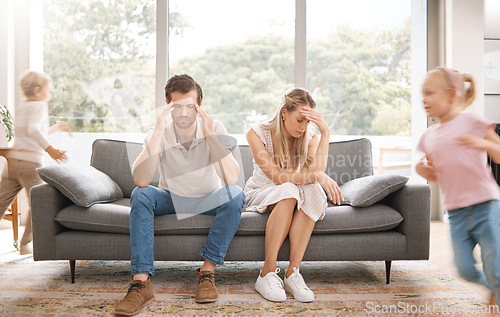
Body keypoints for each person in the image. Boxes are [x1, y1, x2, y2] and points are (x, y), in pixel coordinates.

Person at [115, 74, 245, 316]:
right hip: (171, 199)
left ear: (199, 106)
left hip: (208, 199)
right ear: (168, 107)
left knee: (235, 194)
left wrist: (209, 135)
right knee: (140, 193)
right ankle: (141, 283)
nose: (183, 113)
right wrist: (156, 130)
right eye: (177, 106)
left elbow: (230, 179)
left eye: (189, 106)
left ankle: (207, 272)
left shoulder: (215, 128)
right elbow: (142, 179)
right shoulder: (159, 132)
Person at [244, 88, 343, 303]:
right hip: (261, 191)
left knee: (315, 192)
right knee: (289, 189)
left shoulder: (310, 137)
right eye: (300, 120)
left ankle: (292, 273)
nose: (304, 127)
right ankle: (266, 273)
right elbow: (277, 177)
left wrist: (325, 133)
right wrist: (318, 177)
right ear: (283, 112)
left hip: (294, 191)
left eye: (308, 122)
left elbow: (317, 170)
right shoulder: (256, 133)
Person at [416, 67, 500, 308]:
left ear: (452, 94)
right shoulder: (428, 137)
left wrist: (480, 141)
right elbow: (439, 175)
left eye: (430, 93)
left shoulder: (472, 122)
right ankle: (492, 286)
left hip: (486, 205)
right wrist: (423, 171)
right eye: (423, 93)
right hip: (456, 211)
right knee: (465, 270)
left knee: (496, 267)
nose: (424, 99)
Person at [0, 70, 70, 255]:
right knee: (39, 203)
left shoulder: (22, 108)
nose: (51, 94)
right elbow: (34, 131)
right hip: (29, 164)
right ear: (38, 90)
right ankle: (25, 244)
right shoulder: (39, 106)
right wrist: (51, 150)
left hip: (13, 161)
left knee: (1, 202)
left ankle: (25, 244)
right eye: (49, 90)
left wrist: (57, 127)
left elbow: (34, 132)